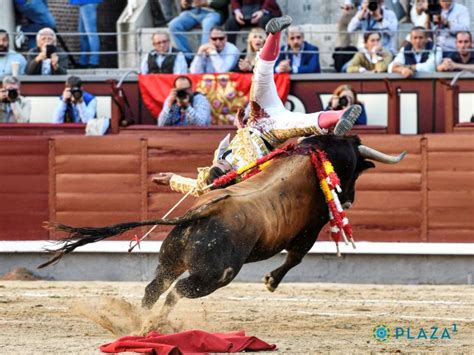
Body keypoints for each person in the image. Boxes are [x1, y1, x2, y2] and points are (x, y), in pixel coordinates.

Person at [153, 16, 363, 196]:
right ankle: (342, 114)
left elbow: (201, 185)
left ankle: (275, 33)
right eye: (223, 167)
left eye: (217, 165)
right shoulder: (243, 176)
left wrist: (172, 178)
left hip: (256, 117)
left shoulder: (218, 161)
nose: (222, 163)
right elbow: (199, 189)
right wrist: (174, 181)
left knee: (260, 75)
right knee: (305, 123)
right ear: (227, 175)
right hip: (273, 132)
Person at [69, 0, 102, 69]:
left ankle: (94, 61)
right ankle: (83, 61)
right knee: (83, 32)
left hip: (87, 2)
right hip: (84, 2)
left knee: (90, 32)